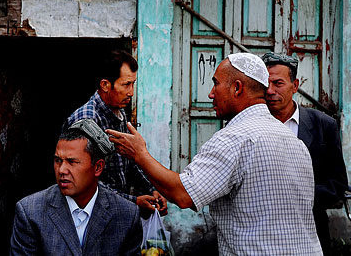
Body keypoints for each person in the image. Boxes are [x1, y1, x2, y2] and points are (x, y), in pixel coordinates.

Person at [107, 53, 323, 255]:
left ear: (237, 88)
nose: (211, 93)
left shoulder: (235, 138)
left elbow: (183, 195)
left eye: (216, 84)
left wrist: (140, 154)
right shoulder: (293, 141)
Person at [10, 119, 142, 255]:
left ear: (98, 167)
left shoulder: (126, 215)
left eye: (72, 162)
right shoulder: (31, 212)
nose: (62, 170)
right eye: (58, 161)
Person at [262, 52, 348, 255]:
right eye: (265, 84)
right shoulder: (252, 125)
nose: (270, 91)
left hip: (309, 230)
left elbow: (337, 184)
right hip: (261, 233)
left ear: (295, 85)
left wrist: (296, 196)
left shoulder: (323, 125)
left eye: (278, 83)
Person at [64, 49, 167, 217]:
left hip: (114, 212)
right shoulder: (87, 120)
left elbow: (130, 161)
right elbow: (85, 181)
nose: (131, 92)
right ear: (105, 85)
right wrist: (133, 202)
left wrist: (151, 189)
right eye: (126, 84)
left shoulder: (119, 113)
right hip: (89, 216)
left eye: (133, 84)